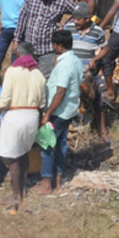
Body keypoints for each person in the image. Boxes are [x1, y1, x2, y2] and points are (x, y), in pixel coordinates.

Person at [0, 50, 46, 213]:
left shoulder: (12, 71)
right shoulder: (39, 74)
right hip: (32, 116)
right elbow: (42, 102)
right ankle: (23, 190)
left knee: (13, 157)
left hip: (16, 115)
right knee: (24, 153)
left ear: (18, 55)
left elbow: (5, 98)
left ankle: (16, 195)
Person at [37, 30, 83, 194]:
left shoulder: (64, 65)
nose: (53, 47)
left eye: (54, 44)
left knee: (48, 145)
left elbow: (60, 92)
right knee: (61, 144)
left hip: (59, 111)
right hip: (69, 110)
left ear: (60, 46)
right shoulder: (76, 60)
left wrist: (48, 113)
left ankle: (46, 182)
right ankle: (58, 179)